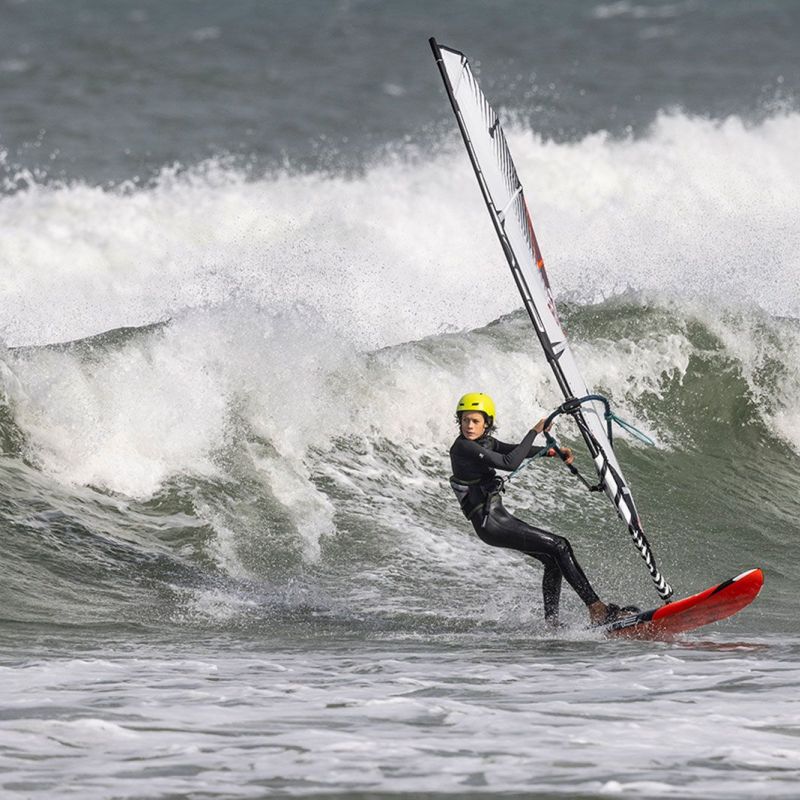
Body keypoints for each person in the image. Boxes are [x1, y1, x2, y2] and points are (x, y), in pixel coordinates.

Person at [449, 391, 631, 627]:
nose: (469, 426)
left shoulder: (485, 443)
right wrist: (534, 431)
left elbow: (512, 450)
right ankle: (596, 609)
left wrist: (550, 452)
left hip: (497, 517)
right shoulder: (463, 447)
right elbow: (509, 463)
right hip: (490, 523)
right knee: (560, 545)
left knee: (552, 559)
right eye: (465, 420)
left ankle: (552, 624)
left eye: (475, 421)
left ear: (487, 423)